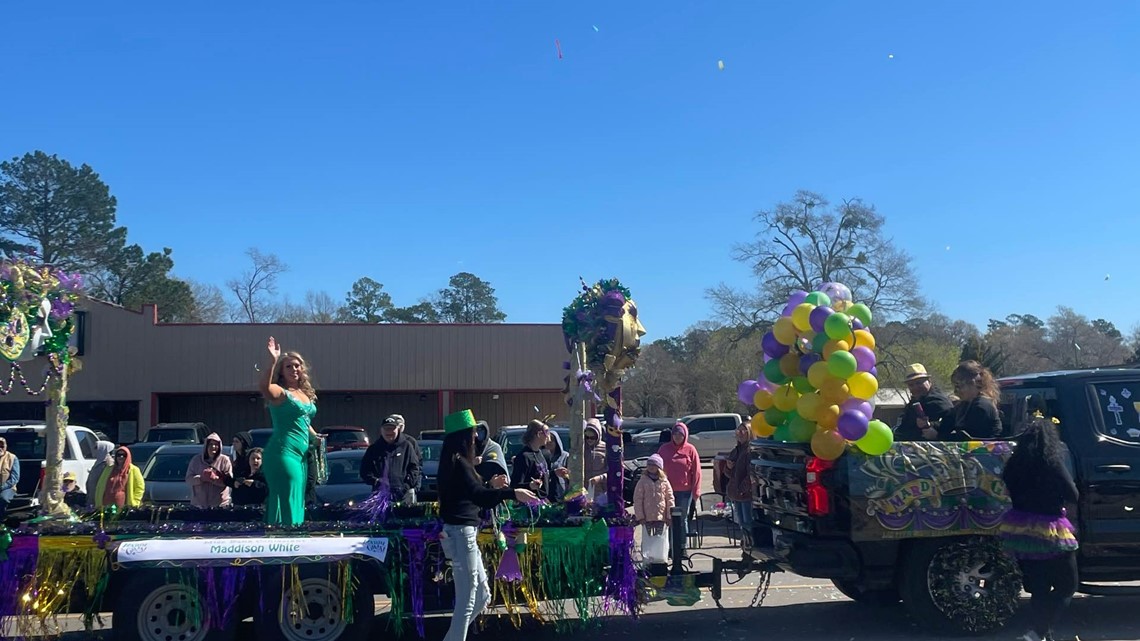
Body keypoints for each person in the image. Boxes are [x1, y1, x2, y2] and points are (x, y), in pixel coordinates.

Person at [437, 409, 537, 641]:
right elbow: (479, 495)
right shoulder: (459, 463)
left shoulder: (455, 462)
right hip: (461, 533)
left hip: (462, 532)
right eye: (472, 433)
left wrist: (493, 485)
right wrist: (513, 493)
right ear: (463, 435)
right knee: (468, 597)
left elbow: (474, 492)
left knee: (482, 595)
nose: (476, 438)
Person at [999, 417, 1079, 641]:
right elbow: (1073, 494)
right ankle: (1038, 633)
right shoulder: (1051, 462)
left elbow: (1007, 492)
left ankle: (1042, 634)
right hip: (1051, 528)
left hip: (1020, 529)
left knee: (1039, 588)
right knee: (1067, 585)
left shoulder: (1012, 466)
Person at [260, 336, 323, 526]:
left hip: (302, 455)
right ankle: (285, 540)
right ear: (281, 371)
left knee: (297, 497)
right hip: (283, 453)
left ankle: (295, 537)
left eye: (297, 365)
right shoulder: (280, 393)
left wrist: (315, 436)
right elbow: (264, 387)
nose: (294, 369)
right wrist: (272, 361)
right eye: (288, 366)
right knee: (287, 495)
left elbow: (303, 419)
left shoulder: (304, 394)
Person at [360, 414, 422, 503]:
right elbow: (364, 472)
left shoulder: (407, 446)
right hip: (379, 496)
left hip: (404, 495)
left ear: (398, 429)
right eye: (386, 429)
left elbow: (415, 468)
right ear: (381, 430)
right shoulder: (373, 449)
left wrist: (407, 486)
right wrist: (377, 482)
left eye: (392, 428)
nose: (389, 432)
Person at [656, 422, 701, 541]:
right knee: (668, 518)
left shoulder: (691, 449)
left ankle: (682, 546)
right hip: (666, 490)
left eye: (680, 434)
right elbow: (657, 468)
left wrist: (696, 491)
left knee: (682, 519)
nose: (677, 436)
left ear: (685, 435)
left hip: (685, 491)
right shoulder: (664, 449)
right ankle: (670, 547)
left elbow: (697, 471)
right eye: (675, 433)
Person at [894, 364, 956, 441]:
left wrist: (932, 426)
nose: (915, 387)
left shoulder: (938, 400)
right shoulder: (912, 404)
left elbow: (951, 420)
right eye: (911, 385)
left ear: (929, 381)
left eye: (919, 383)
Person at [632, 454, 675, 562]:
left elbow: (670, 499)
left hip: (661, 517)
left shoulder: (664, 481)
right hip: (647, 517)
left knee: (659, 538)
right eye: (649, 465)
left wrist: (670, 515)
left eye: (654, 465)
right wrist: (640, 516)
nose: (651, 467)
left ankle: (659, 558)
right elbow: (637, 500)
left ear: (659, 467)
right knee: (648, 538)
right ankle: (648, 558)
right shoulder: (642, 481)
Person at [948, 360, 1003, 439]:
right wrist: (928, 426)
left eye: (959, 386)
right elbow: (946, 424)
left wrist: (938, 436)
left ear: (973, 383)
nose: (956, 391)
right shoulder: (963, 406)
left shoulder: (982, 406)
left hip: (985, 450)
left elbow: (969, 438)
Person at [725, 422, 754, 550]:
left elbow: (751, 474)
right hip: (736, 494)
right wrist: (728, 467)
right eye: (739, 431)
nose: (741, 434)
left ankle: (751, 547)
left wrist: (743, 489)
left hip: (746, 494)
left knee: (748, 522)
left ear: (750, 433)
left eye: (744, 431)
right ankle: (746, 548)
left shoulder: (750, 450)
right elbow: (728, 473)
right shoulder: (736, 450)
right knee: (742, 523)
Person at [186, 433, 234, 508]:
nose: (213, 447)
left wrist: (214, 479)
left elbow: (229, 481)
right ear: (206, 446)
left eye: (216, 444)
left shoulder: (225, 461)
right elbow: (188, 479)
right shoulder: (196, 460)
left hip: (220, 506)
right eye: (211, 444)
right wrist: (201, 478)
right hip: (198, 506)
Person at [510, 420, 553, 500]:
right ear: (539, 434)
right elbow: (515, 485)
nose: (548, 436)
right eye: (546, 432)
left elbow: (543, 474)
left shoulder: (540, 453)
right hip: (529, 504)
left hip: (543, 501)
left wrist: (554, 473)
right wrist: (530, 485)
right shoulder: (524, 457)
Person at [542, 429, 570, 501]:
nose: (549, 442)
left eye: (552, 439)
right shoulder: (540, 456)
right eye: (548, 439)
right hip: (545, 492)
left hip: (561, 492)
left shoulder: (565, 456)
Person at [85, 441, 115, 505]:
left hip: (101, 501)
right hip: (92, 499)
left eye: (96, 447)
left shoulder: (108, 464)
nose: (94, 450)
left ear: (104, 448)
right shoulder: (98, 462)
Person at [0, 437, 19, 522]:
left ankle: (2, 521)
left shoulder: (12, 458)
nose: (0, 448)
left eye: (2, 446)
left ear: (6, 446)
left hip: (8, 487)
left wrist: (2, 487)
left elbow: (15, 478)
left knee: (3, 498)